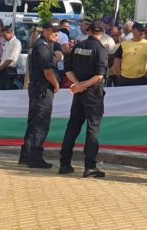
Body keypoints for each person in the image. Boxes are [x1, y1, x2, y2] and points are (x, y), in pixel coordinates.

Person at [59, 20, 109, 178]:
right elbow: (99, 76)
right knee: (92, 129)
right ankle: (90, 166)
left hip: (79, 93)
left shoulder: (79, 46)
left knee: (72, 127)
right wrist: (83, 85)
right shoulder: (100, 49)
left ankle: (64, 163)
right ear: (103, 32)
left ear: (89, 30)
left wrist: (77, 84)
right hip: (93, 94)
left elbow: (68, 69)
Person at [20, 21, 61, 169]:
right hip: (43, 90)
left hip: (38, 89)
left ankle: (26, 155)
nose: (56, 33)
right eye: (53, 30)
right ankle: (35, 157)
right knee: (41, 123)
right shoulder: (42, 47)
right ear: (45, 30)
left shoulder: (43, 45)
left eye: (57, 31)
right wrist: (56, 85)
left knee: (34, 122)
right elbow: (48, 71)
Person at [0, 23, 22, 90]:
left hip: (9, 70)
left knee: (6, 91)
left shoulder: (16, 43)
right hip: (3, 70)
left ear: (11, 33)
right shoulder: (7, 42)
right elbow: (4, 58)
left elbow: (10, 60)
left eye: (5, 35)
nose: (4, 37)